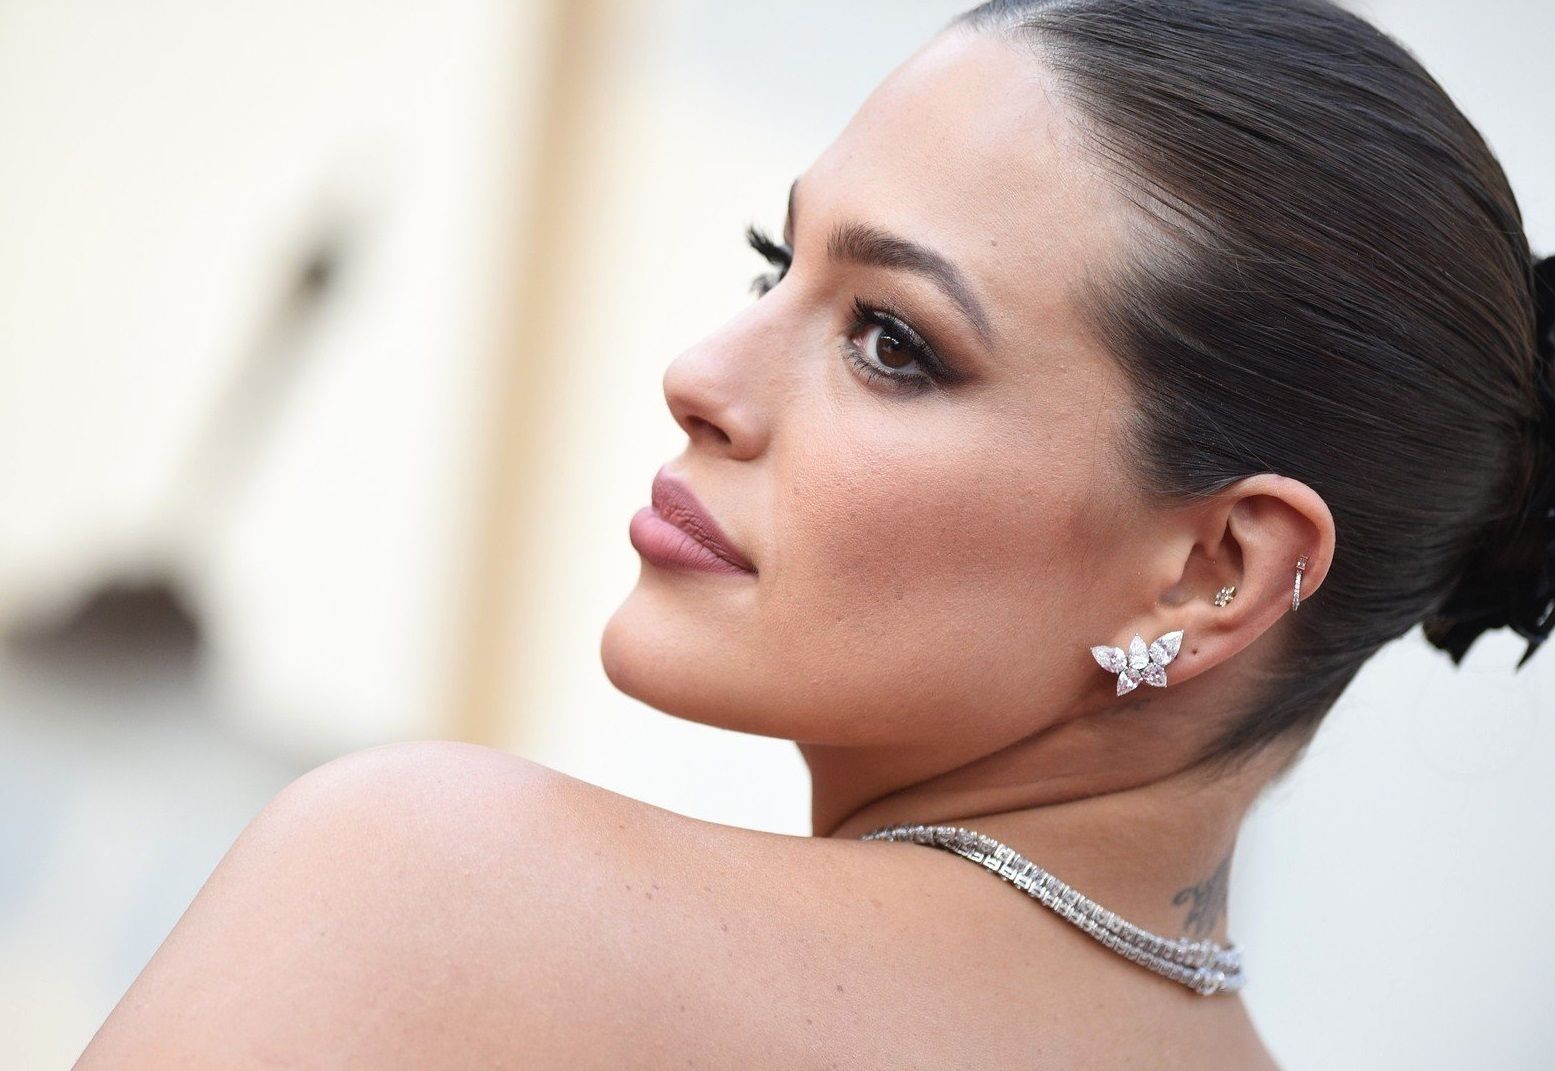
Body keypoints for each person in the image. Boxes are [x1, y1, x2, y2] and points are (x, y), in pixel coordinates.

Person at [75, 1, 1555, 1067]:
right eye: (775, 263)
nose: (701, 378)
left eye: (893, 343)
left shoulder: (433, 892)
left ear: (1211, 571)